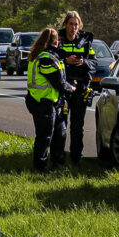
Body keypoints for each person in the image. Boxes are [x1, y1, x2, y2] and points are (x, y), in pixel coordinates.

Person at [26, 27, 74, 171]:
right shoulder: (46, 58)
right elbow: (57, 81)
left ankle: (57, 164)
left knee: (59, 134)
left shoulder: (44, 55)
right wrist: (70, 88)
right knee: (44, 137)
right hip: (43, 103)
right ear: (56, 42)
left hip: (52, 102)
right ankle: (40, 168)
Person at [58, 11, 97, 164]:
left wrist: (83, 62)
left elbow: (94, 62)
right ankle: (59, 157)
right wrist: (66, 60)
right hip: (63, 87)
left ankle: (76, 157)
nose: (73, 27)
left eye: (76, 24)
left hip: (80, 88)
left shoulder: (85, 41)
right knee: (61, 124)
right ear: (65, 25)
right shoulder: (58, 40)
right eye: (71, 24)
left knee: (77, 125)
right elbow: (50, 57)